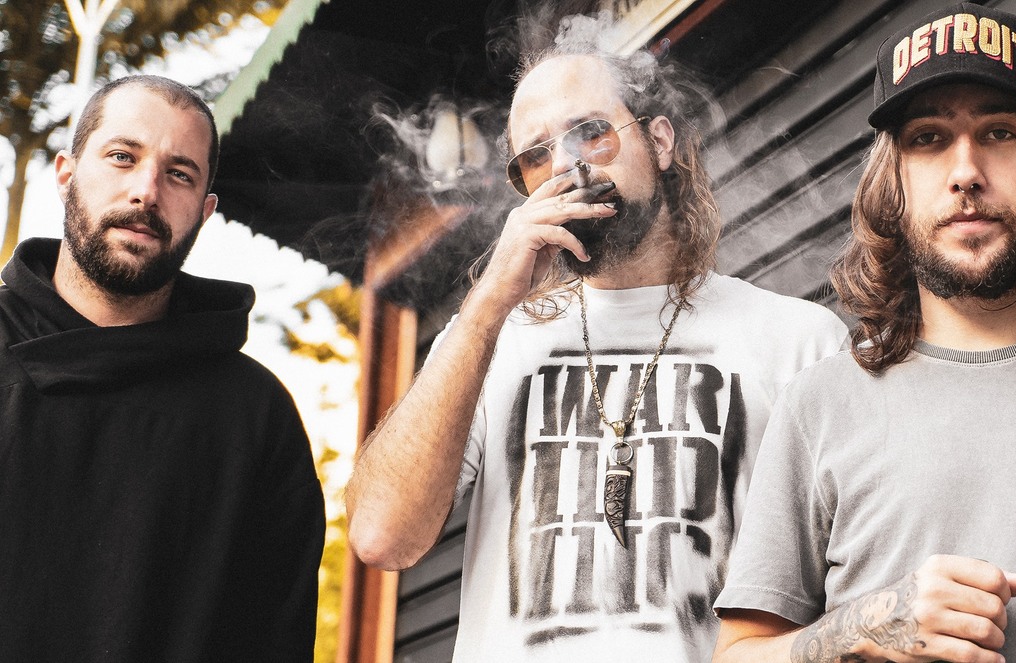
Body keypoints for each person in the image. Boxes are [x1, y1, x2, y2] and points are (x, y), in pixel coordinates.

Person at [345, 16, 849, 662]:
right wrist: (488, 303)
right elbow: (381, 536)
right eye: (535, 156)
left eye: (591, 132)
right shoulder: (489, 338)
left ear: (659, 141)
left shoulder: (800, 341)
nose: (566, 164)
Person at [712, 3, 1016, 661]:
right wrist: (861, 629)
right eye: (929, 138)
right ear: (893, 182)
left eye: (999, 133)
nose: (966, 171)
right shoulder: (818, 406)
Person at [0, 75, 325, 662]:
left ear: (205, 211)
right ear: (66, 174)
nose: (146, 192)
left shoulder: (254, 417)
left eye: (179, 174)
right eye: (122, 157)